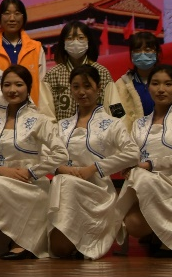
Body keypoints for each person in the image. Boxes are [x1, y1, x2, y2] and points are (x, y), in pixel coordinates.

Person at [0, 66, 66, 259]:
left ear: (28, 88)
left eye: (18, 85)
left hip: (30, 183)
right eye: (7, 85)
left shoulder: (40, 120)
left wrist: (31, 172)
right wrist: (1, 170)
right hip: (2, 178)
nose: (12, 90)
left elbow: (61, 153)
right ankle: (13, 237)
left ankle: (21, 242)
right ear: (1, 88)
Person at [46, 66, 137, 259]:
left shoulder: (112, 124)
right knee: (58, 248)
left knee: (63, 182)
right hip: (66, 187)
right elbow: (46, 155)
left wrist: (94, 168)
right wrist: (61, 168)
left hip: (97, 190)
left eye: (87, 86)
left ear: (98, 88)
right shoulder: (62, 126)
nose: (81, 92)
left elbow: (132, 153)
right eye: (76, 87)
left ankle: (86, 238)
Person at [114, 63, 172, 258]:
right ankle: (155, 233)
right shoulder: (140, 123)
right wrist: (127, 165)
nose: (161, 89)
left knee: (141, 176)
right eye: (155, 84)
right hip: (146, 183)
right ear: (148, 87)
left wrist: (148, 165)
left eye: (168, 84)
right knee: (133, 223)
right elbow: (132, 153)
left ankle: (168, 239)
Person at [41, 21, 120, 121]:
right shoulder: (52, 75)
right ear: (63, 43)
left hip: (98, 129)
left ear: (88, 41)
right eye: (70, 38)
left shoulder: (102, 72)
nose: (75, 42)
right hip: (61, 130)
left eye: (81, 38)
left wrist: (117, 125)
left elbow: (116, 108)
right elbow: (46, 114)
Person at [114, 31, 172, 129]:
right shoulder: (119, 86)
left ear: (157, 53)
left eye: (148, 50)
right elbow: (116, 118)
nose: (142, 53)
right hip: (130, 137)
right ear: (131, 54)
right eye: (137, 50)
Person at [0, 0, 47, 107]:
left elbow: (41, 83)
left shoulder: (36, 48)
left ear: (23, 17)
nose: (12, 18)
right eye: (7, 13)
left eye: (17, 13)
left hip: (31, 109)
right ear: (0, 17)